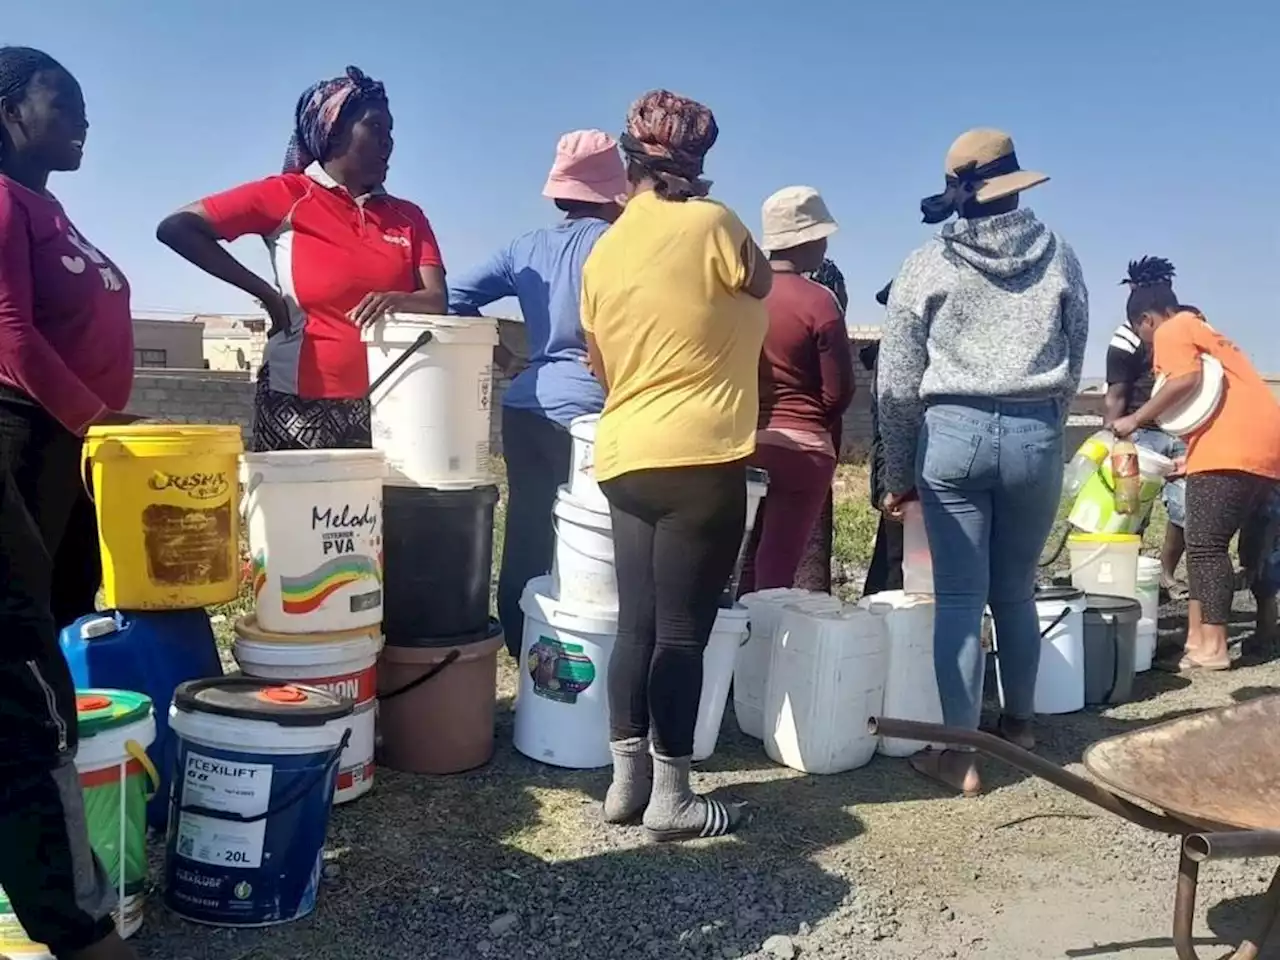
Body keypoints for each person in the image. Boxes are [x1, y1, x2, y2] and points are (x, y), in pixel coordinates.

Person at [581, 90, 771, 841]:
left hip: (625, 451)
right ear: (698, 161)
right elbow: (761, 281)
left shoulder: (604, 249)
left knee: (636, 625)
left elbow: (600, 364)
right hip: (702, 453)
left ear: (629, 160)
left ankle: (625, 787)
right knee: (682, 632)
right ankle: (676, 799)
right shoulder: (715, 224)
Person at [878, 129, 1088, 795]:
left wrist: (896, 473)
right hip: (1035, 433)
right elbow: (1074, 349)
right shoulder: (1059, 255)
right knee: (1016, 589)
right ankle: (1019, 726)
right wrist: (1047, 416)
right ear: (1015, 186)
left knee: (960, 602)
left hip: (953, 435)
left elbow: (896, 381)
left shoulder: (926, 264)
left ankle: (959, 758)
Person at [0, 46, 140, 960]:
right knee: (20, 673)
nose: (83, 117)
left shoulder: (46, 206)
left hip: (56, 449)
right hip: (17, 439)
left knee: (48, 629)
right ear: (11, 108)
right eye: (65, 100)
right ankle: (70, 920)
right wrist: (99, 423)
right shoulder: (4, 199)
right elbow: (8, 333)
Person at [157, 66, 446, 451]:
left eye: (390, 131)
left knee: (378, 513)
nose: (388, 142)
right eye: (375, 128)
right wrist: (270, 296)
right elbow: (178, 227)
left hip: (391, 404)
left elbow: (437, 300)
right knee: (296, 511)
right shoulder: (289, 195)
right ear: (335, 130)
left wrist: (399, 299)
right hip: (299, 405)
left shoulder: (409, 216)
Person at [449, 130, 626, 655]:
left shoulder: (525, 248)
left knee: (528, 520)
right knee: (584, 529)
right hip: (590, 410)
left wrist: (504, 358)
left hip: (525, 406)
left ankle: (518, 632)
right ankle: (570, 640)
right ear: (612, 190)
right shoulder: (617, 245)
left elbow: (453, 296)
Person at [1111, 299, 1280, 671]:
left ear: (1146, 319)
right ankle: (1199, 640)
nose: (1148, 344)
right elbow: (1215, 400)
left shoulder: (1174, 327)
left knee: (1205, 548)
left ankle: (1213, 647)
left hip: (1231, 450)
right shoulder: (1207, 333)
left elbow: (1184, 380)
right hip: (1260, 447)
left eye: (1143, 334)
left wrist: (1134, 419)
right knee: (1217, 545)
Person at [738, 187, 853, 593]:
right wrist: (814, 421)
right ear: (806, 241)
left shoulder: (742, 296)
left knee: (741, 558)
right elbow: (839, 392)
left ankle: (733, 649)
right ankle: (768, 651)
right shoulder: (820, 302)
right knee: (778, 562)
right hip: (803, 449)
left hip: (742, 443)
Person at [1105, 257, 1188, 596]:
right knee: (1131, 510)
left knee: (1184, 511)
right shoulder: (1126, 338)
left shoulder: (1187, 325)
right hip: (1142, 434)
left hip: (1183, 430)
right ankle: (1131, 576)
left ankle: (1165, 574)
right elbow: (1116, 394)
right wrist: (1112, 437)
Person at [789, 258, 849, 593]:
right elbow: (840, 391)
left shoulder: (758, 307)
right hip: (811, 446)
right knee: (807, 538)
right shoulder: (823, 317)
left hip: (755, 444)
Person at [862, 282, 905, 597]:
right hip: (899, 475)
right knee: (896, 566)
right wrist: (891, 485)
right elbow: (888, 426)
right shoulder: (894, 353)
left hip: (902, 474)